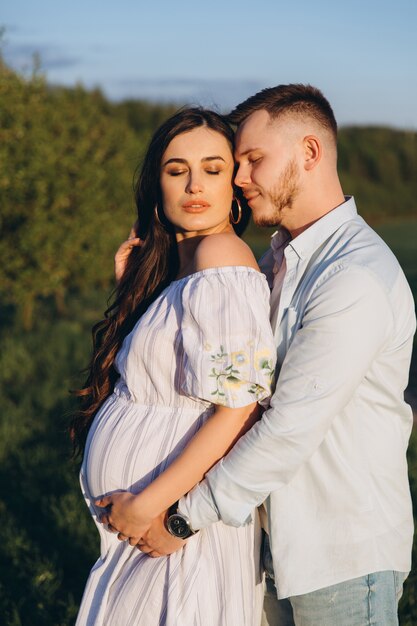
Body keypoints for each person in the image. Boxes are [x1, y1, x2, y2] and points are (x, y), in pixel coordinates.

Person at [108, 85, 416, 626]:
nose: (240, 177)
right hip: (280, 546)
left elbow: (287, 426)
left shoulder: (352, 277)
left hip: (339, 558)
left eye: (253, 160)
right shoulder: (285, 262)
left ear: (310, 153)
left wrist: (180, 520)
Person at [71, 108, 277, 626]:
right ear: (156, 185)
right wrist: (132, 293)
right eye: (175, 169)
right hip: (149, 520)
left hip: (172, 523)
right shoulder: (186, 266)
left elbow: (239, 407)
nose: (193, 184)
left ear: (234, 185)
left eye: (212, 168)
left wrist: (149, 505)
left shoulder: (222, 259)